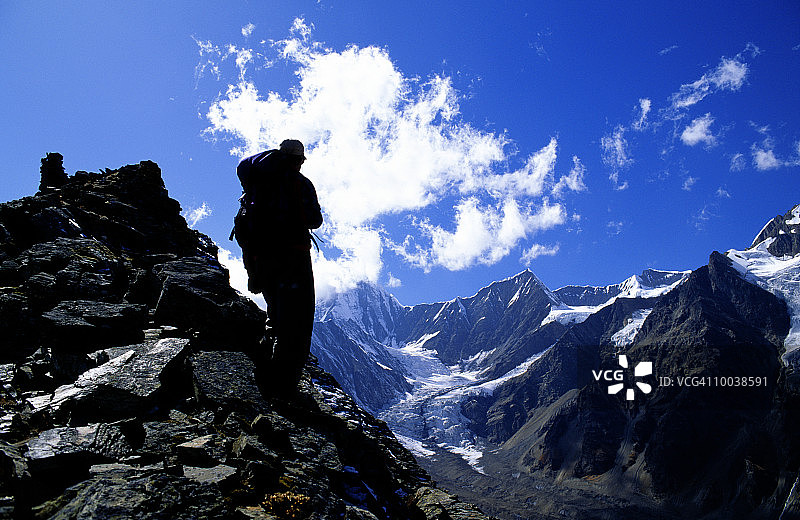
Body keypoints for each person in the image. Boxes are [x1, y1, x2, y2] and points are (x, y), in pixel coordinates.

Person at [236, 139, 322, 397]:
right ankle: (283, 388)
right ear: (297, 159)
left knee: (275, 313)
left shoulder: (257, 180)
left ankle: (264, 373)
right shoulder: (300, 184)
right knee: (297, 321)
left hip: (261, 259)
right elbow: (315, 220)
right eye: (301, 160)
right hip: (293, 260)